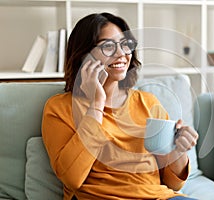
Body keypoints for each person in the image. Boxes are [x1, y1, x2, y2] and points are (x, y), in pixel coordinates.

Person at [42, 12, 198, 200]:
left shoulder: (147, 102)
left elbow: (173, 183)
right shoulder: (60, 108)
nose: (122, 53)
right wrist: (97, 102)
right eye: (108, 46)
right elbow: (72, 178)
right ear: (84, 55)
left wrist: (179, 150)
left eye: (125, 44)